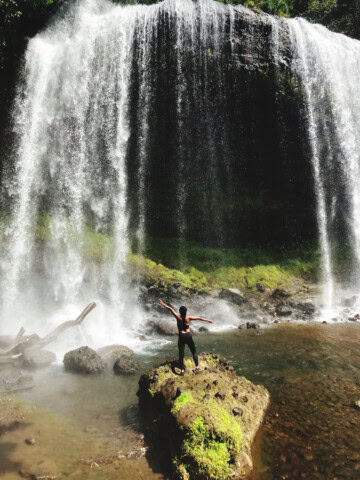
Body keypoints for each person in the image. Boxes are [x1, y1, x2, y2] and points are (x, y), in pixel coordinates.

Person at [159, 299, 214, 375]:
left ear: (180, 311)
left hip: (181, 336)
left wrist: (163, 304)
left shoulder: (178, 317)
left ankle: (182, 370)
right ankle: (197, 366)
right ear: (186, 312)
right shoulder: (188, 318)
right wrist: (208, 320)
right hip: (188, 336)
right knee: (193, 351)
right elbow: (199, 318)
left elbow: (170, 309)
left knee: (181, 353)